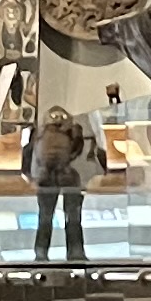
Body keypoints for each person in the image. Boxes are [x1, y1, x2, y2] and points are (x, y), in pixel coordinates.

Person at [21, 102, 90, 262]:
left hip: (47, 177)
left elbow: (27, 154)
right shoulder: (74, 130)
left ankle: (41, 253)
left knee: (46, 217)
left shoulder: (39, 132)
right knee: (72, 217)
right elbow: (80, 151)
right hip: (68, 175)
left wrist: (30, 176)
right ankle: (75, 252)